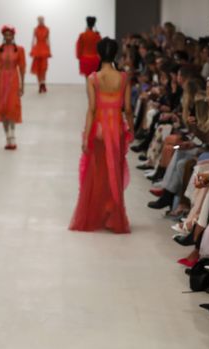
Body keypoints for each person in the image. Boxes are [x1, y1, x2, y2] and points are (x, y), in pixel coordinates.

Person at [69, 38, 132, 234]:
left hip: (99, 130)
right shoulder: (124, 78)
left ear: (98, 54)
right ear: (115, 54)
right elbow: (128, 108)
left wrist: (85, 136)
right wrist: (131, 129)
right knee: (115, 171)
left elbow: (92, 109)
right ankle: (114, 214)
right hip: (117, 128)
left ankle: (98, 214)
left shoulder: (93, 78)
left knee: (98, 173)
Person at [0, 26, 26, 150]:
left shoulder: (19, 50)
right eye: (6, 34)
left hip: (13, 81)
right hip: (1, 81)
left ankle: (12, 135)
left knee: (12, 107)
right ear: (3, 36)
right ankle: (7, 138)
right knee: (3, 110)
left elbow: (22, 68)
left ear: (13, 35)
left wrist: (22, 85)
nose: (8, 37)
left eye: (10, 34)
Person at [30, 17, 51, 93]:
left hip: (44, 49)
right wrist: (32, 50)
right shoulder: (35, 29)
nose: (41, 21)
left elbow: (48, 40)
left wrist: (49, 50)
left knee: (44, 68)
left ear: (43, 20)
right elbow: (33, 40)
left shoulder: (47, 29)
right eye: (39, 20)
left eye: (42, 20)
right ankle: (40, 85)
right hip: (37, 49)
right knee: (37, 67)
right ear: (38, 21)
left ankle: (43, 84)